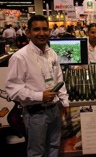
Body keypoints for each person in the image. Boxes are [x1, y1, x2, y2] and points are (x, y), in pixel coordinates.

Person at [5, 15, 69, 157]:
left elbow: (59, 78)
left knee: (54, 147)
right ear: (28, 32)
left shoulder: (51, 53)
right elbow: (13, 90)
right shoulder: (20, 57)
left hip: (54, 110)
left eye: (45, 29)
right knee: (36, 152)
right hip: (35, 113)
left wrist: (64, 102)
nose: (42, 33)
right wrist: (40, 96)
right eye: (37, 29)